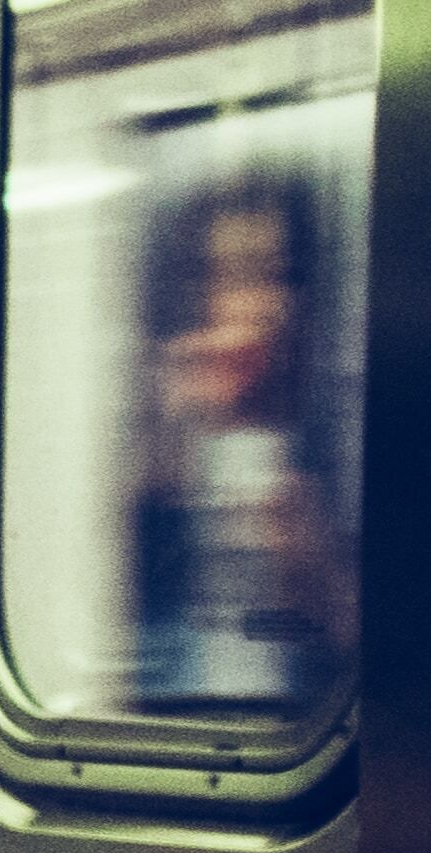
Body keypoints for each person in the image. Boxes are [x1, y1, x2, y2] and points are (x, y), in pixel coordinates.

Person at [130, 174, 342, 714]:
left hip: (288, 721)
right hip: (181, 714)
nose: (263, 305)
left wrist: (302, 554)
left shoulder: (324, 431)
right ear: (201, 294)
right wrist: (174, 428)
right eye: (236, 277)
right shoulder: (171, 404)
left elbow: (355, 633)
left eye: (276, 277)